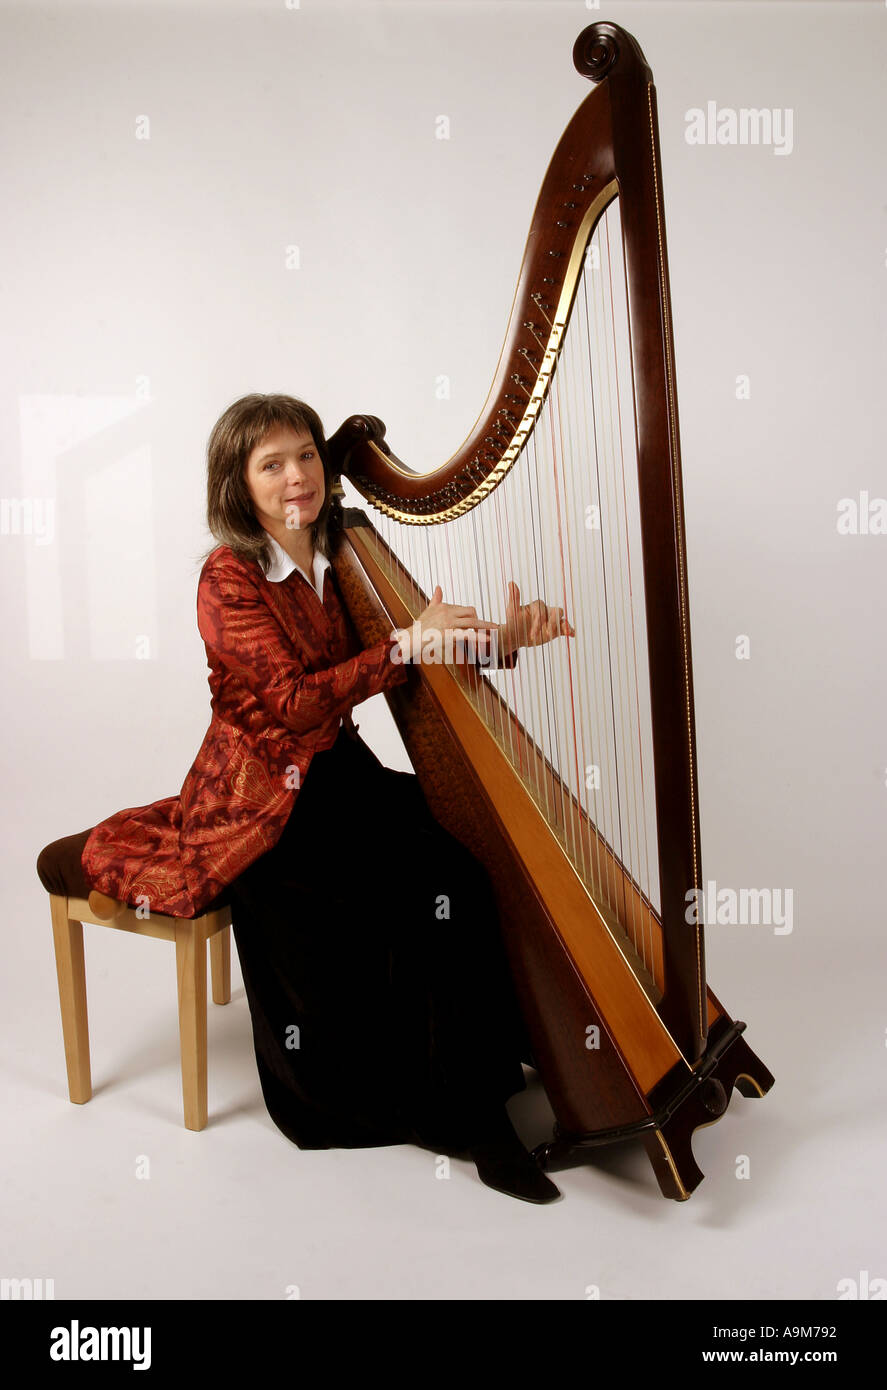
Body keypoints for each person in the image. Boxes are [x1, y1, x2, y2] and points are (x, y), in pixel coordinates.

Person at [82, 392, 575, 1205]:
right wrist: (398, 649)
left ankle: (498, 1062)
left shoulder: (339, 552)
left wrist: (504, 639)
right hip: (259, 803)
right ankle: (462, 1117)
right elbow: (290, 704)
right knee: (435, 885)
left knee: (474, 845)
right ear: (238, 484)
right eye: (271, 463)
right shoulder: (229, 578)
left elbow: (415, 637)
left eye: (305, 455)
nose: (296, 476)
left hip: (337, 774)